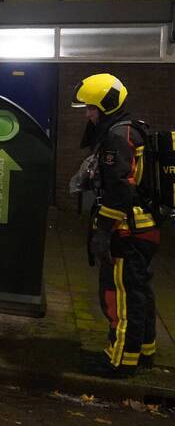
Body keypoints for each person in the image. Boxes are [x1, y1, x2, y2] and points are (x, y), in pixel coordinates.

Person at [72, 73, 158, 379]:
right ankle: (143, 351)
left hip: (126, 229)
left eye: (92, 109)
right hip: (143, 226)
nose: (88, 114)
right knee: (139, 293)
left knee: (119, 296)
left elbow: (119, 189)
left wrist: (103, 231)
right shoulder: (132, 129)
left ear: (106, 106)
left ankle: (120, 360)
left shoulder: (116, 137)